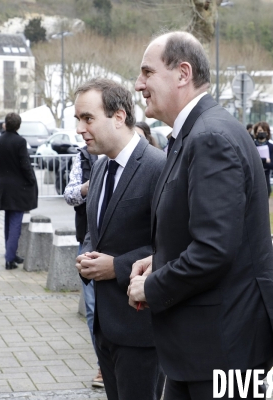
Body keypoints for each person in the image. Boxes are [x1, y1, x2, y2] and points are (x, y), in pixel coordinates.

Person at [128, 31, 273, 400]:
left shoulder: (209, 137)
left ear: (182, 73)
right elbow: (203, 232)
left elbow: (213, 250)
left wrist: (153, 286)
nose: (138, 84)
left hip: (223, 345)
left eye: (146, 72)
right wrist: (158, 259)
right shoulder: (194, 133)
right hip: (204, 345)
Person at [74, 78, 166, 400]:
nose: (80, 128)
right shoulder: (100, 168)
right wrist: (87, 254)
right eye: (78, 119)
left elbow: (170, 245)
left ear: (118, 116)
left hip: (141, 328)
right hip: (104, 326)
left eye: (88, 118)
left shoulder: (158, 167)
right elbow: (94, 230)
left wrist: (117, 266)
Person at [63, 144, 102, 388]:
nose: (82, 130)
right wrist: (91, 185)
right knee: (92, 307)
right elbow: (70, 194)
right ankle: (103, 365)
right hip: (88, 240)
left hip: (121, 246)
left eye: (88, 119)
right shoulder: (84, 157)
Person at [0, 113, 38, 270]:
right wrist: (31, 180)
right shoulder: (20, 141)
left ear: (5, 124)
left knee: (8, 222)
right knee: (15, 222)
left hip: (4, 186)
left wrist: (3, 177)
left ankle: (11, 253)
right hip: (18, 187)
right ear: (18, 126)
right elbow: (25, 164)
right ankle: (10, 258)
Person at [253, 121, 273, 197]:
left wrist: (259, 160)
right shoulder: (252, 145)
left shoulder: (272, 147)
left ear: (267, 133)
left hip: (265, 178)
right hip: (253, 178)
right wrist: (265, 160)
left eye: (264, 131)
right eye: (260, 131)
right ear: (256, 132)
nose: (262, 132)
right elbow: (252, 162)